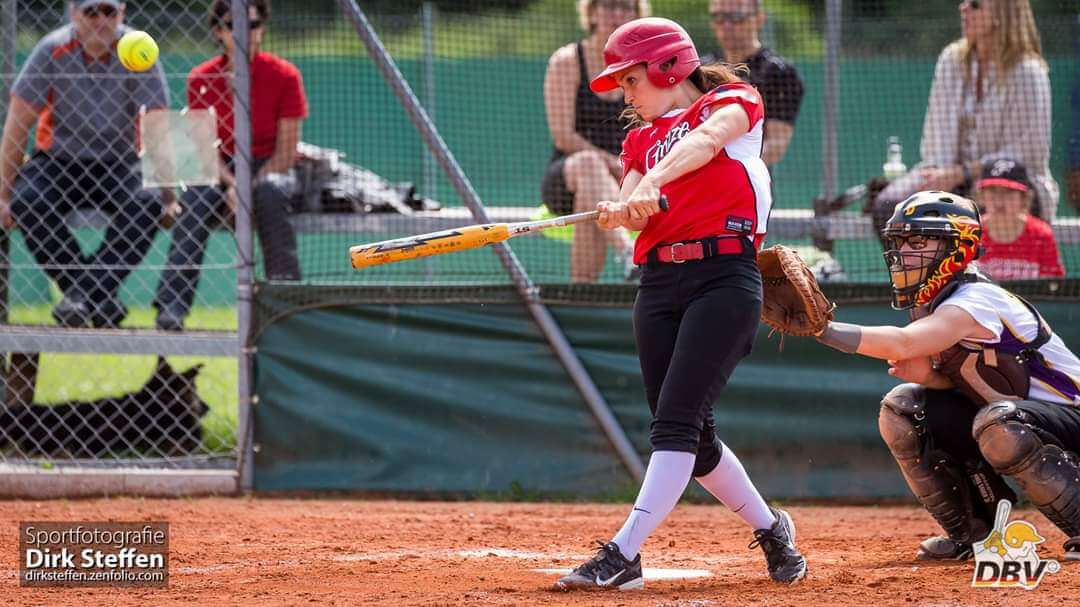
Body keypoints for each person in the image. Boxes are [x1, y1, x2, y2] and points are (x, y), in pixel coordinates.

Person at [555, 18, 806, 591]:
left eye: (631, 78)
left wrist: (651, 184)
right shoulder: (638, 139)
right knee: (693, 438)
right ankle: (772, 530)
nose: (626, 92)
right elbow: (632, 196)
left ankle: (624, 554)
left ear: (668, 67)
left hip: (724, 277)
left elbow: (705, 141)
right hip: (659, 284)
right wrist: (622, 209)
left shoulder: (735, 99)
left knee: (674, 424)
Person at [813, 190, 1080, 562]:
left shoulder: (975, 300)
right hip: (1021, 418)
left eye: (918, 241)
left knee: (1000, 423)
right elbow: (976, 387)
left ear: (958, 247)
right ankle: (977, 534)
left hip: (1071, 421)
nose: (904, 252)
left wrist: (820, 328)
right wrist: (933, 377)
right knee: (905, 407)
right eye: (901, 241)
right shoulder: (931, 301)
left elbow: (903, 343)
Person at [0, 0, 172, 328]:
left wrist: (169, 197)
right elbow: (18, 123)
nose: (101, 21)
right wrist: (4, 195)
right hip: (58, 160)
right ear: (73, 14)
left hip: (119, 162)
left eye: (109, 12)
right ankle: (98, 298)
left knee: (148, 202)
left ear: (122, 14)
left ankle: (81, 296)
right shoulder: (51, 49)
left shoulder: (139, 50)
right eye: (91, 12)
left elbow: (157, 124)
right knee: (28, 200)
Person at [153, 0, 306, 331]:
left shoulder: (285, 75)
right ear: (218, 31)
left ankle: (286, 304)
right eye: (234, 25)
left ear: (262, 29)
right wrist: (232, 183)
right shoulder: (200, 78)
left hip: (269, 165)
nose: (244, 33)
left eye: (252, 25)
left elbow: (287, 151)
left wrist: (250, 186)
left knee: (269, 194)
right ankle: (171, 307)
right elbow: (203, 150)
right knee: (196, 197)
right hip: (221, 164)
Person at [872, 0, 1058, 227]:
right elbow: (935, 137)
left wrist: (963, 174)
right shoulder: (951, 60)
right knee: (889, 207)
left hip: (1010, 184)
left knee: (967, 219)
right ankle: (916, 264)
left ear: (1002, 14)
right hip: (950, 180)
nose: (964, 8)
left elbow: (1028, 152)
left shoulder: (1028, 72)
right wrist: (939, 177)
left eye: (976, 4)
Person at [541, 0, 647, 283]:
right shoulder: (567, 60)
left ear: (637, 15)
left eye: (626, 7)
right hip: (567, 176)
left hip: (627, 181)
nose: (617, 14)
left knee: (595, 200)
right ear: (591, 12)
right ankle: (628, 253)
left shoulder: (646, 66)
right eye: (609, 5)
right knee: (589, 167)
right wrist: (614, 164)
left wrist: (628, 171)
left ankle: (581, 293)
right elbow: (563, 136)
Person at [701, 0, 804, 167]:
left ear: (759, 19)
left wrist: (727, 171)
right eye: (718, 17)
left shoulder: (778, 72)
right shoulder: (702, 69)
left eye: (736, 17)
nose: (726, 25)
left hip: (746, 182)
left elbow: (776, 145)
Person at [974, 156, 1064, 280]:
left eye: (1008, 192)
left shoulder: (1041, 235)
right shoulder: (972, 234)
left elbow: (1053, 287)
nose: (999, 201)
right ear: (981, 196)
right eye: (993, 191)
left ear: (1024, 198)